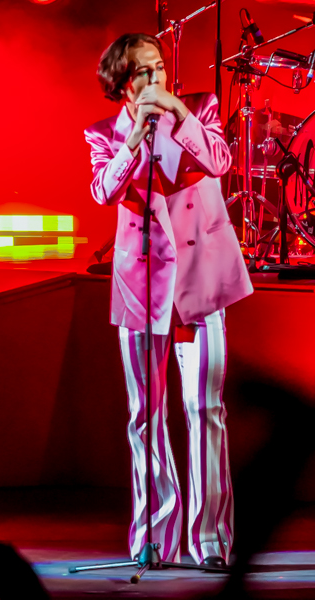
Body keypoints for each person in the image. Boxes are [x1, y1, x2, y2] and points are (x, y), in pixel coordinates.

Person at [84, 33, 253, 567]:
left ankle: (211, 541)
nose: (155, 77)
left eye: (158, 66)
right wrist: (134, 139)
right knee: (145, 415)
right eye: (143, 71)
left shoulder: (200, 108)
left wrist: (179, 113)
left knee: (206, 409)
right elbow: (104, 191)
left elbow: (220, 161)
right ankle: (154, 537)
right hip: (143, 285)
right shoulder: (104, 134)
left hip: (200, 280)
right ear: (122, 83)